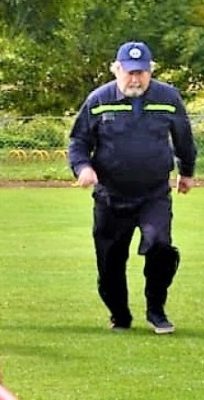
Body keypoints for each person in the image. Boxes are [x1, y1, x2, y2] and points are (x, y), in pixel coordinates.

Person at [68, 40, 196, 334]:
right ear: (116, 70)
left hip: (153, 194)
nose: (135, 79)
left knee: (161, 247)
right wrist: (83, 168)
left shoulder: (168, 98)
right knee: (110, 262)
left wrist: (186, 172)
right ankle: (120, 315)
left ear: (150, 71)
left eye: (141, 72)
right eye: (129, 72)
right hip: (111, 197)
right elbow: (79, 141)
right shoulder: (99, 100)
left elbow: (183, 138)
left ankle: (156, 310)